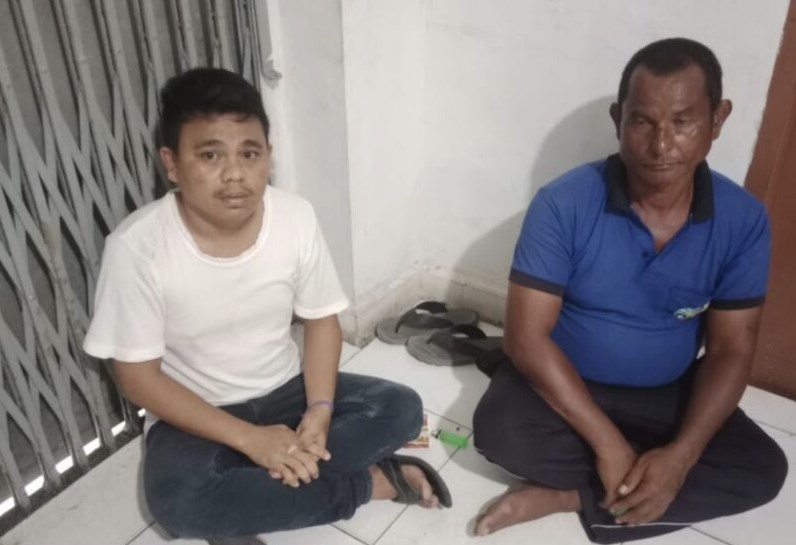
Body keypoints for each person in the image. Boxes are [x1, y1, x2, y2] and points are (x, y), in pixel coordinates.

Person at [82, 67, 450, 544]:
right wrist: (250, 439)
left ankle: (253, 489)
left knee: (400, 409)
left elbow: (321, 322)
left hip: (286, 391)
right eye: (210, 155)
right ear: (171, 164)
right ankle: (369, 483)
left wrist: (319, 410)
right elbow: (137, 377)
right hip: (197, 412)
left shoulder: (294, 217)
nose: (235, 173)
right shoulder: (137, 247)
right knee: (180, 504)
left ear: (268, 157)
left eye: (249, 153)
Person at [472, 38, 788, 543]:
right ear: (619, 119)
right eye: (643, 122)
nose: (662, 146)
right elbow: (526, 338)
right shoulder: (563, 203)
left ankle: (571, 496)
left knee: (763, 470)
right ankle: (631, 478)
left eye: (683, 122)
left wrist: (681, 456)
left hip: (666, 393)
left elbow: (732, 348)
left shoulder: (742, 220)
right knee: (499, 430)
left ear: (717, 119)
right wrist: (607, 444)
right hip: (567, 385)